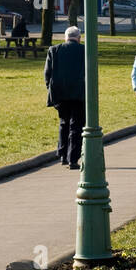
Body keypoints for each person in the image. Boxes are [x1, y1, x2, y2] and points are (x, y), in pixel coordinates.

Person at [43, 26, 86, 169]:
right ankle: (73, 158)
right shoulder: (84, 50)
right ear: (79, 38)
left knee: (64, 123)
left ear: (65, 37)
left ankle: (62, 154)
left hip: (59, 93)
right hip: (79, 93)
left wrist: (50, 88)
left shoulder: (54, 50)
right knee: (76, 126)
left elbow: (47, 73)